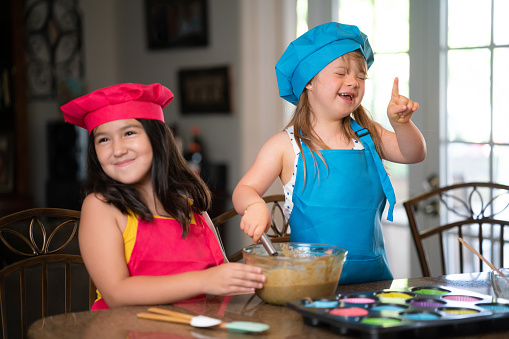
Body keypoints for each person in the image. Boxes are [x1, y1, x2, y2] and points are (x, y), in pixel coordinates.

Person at [232, 22, 426, 284]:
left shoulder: (369, 135)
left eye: (361, 76)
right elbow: (244, 189)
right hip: (312, 287)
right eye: (341, 72)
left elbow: (413, 153)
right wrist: (255, 205)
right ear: (309, 81)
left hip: (375, 283)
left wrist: (402, 124)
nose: (353, 82)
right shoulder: (285, 146)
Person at [60, 83, 265, 310]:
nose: (117, 150)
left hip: (198, 328)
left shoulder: (189, 203)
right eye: (104, 139)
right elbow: (117, 293)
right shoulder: (100, 207)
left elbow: (222, 276)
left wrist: (260, 280)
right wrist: (204, 281)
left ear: (158, 138)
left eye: (129, 133)